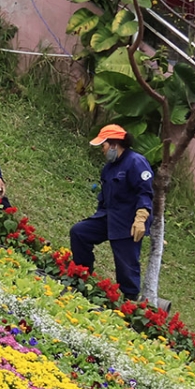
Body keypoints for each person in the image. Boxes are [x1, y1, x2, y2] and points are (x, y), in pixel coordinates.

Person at [68, 124, 153, 301]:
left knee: (126, 266)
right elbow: (104, 197)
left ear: (114, 144)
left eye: (104, 146)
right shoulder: (109, 168)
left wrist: (141, 217)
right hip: (108, 217)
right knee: (79, 232)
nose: (102, 150)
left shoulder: (136, 162)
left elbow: (145, 192)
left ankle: (130, 301)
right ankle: (83, 275)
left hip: (128, 222)